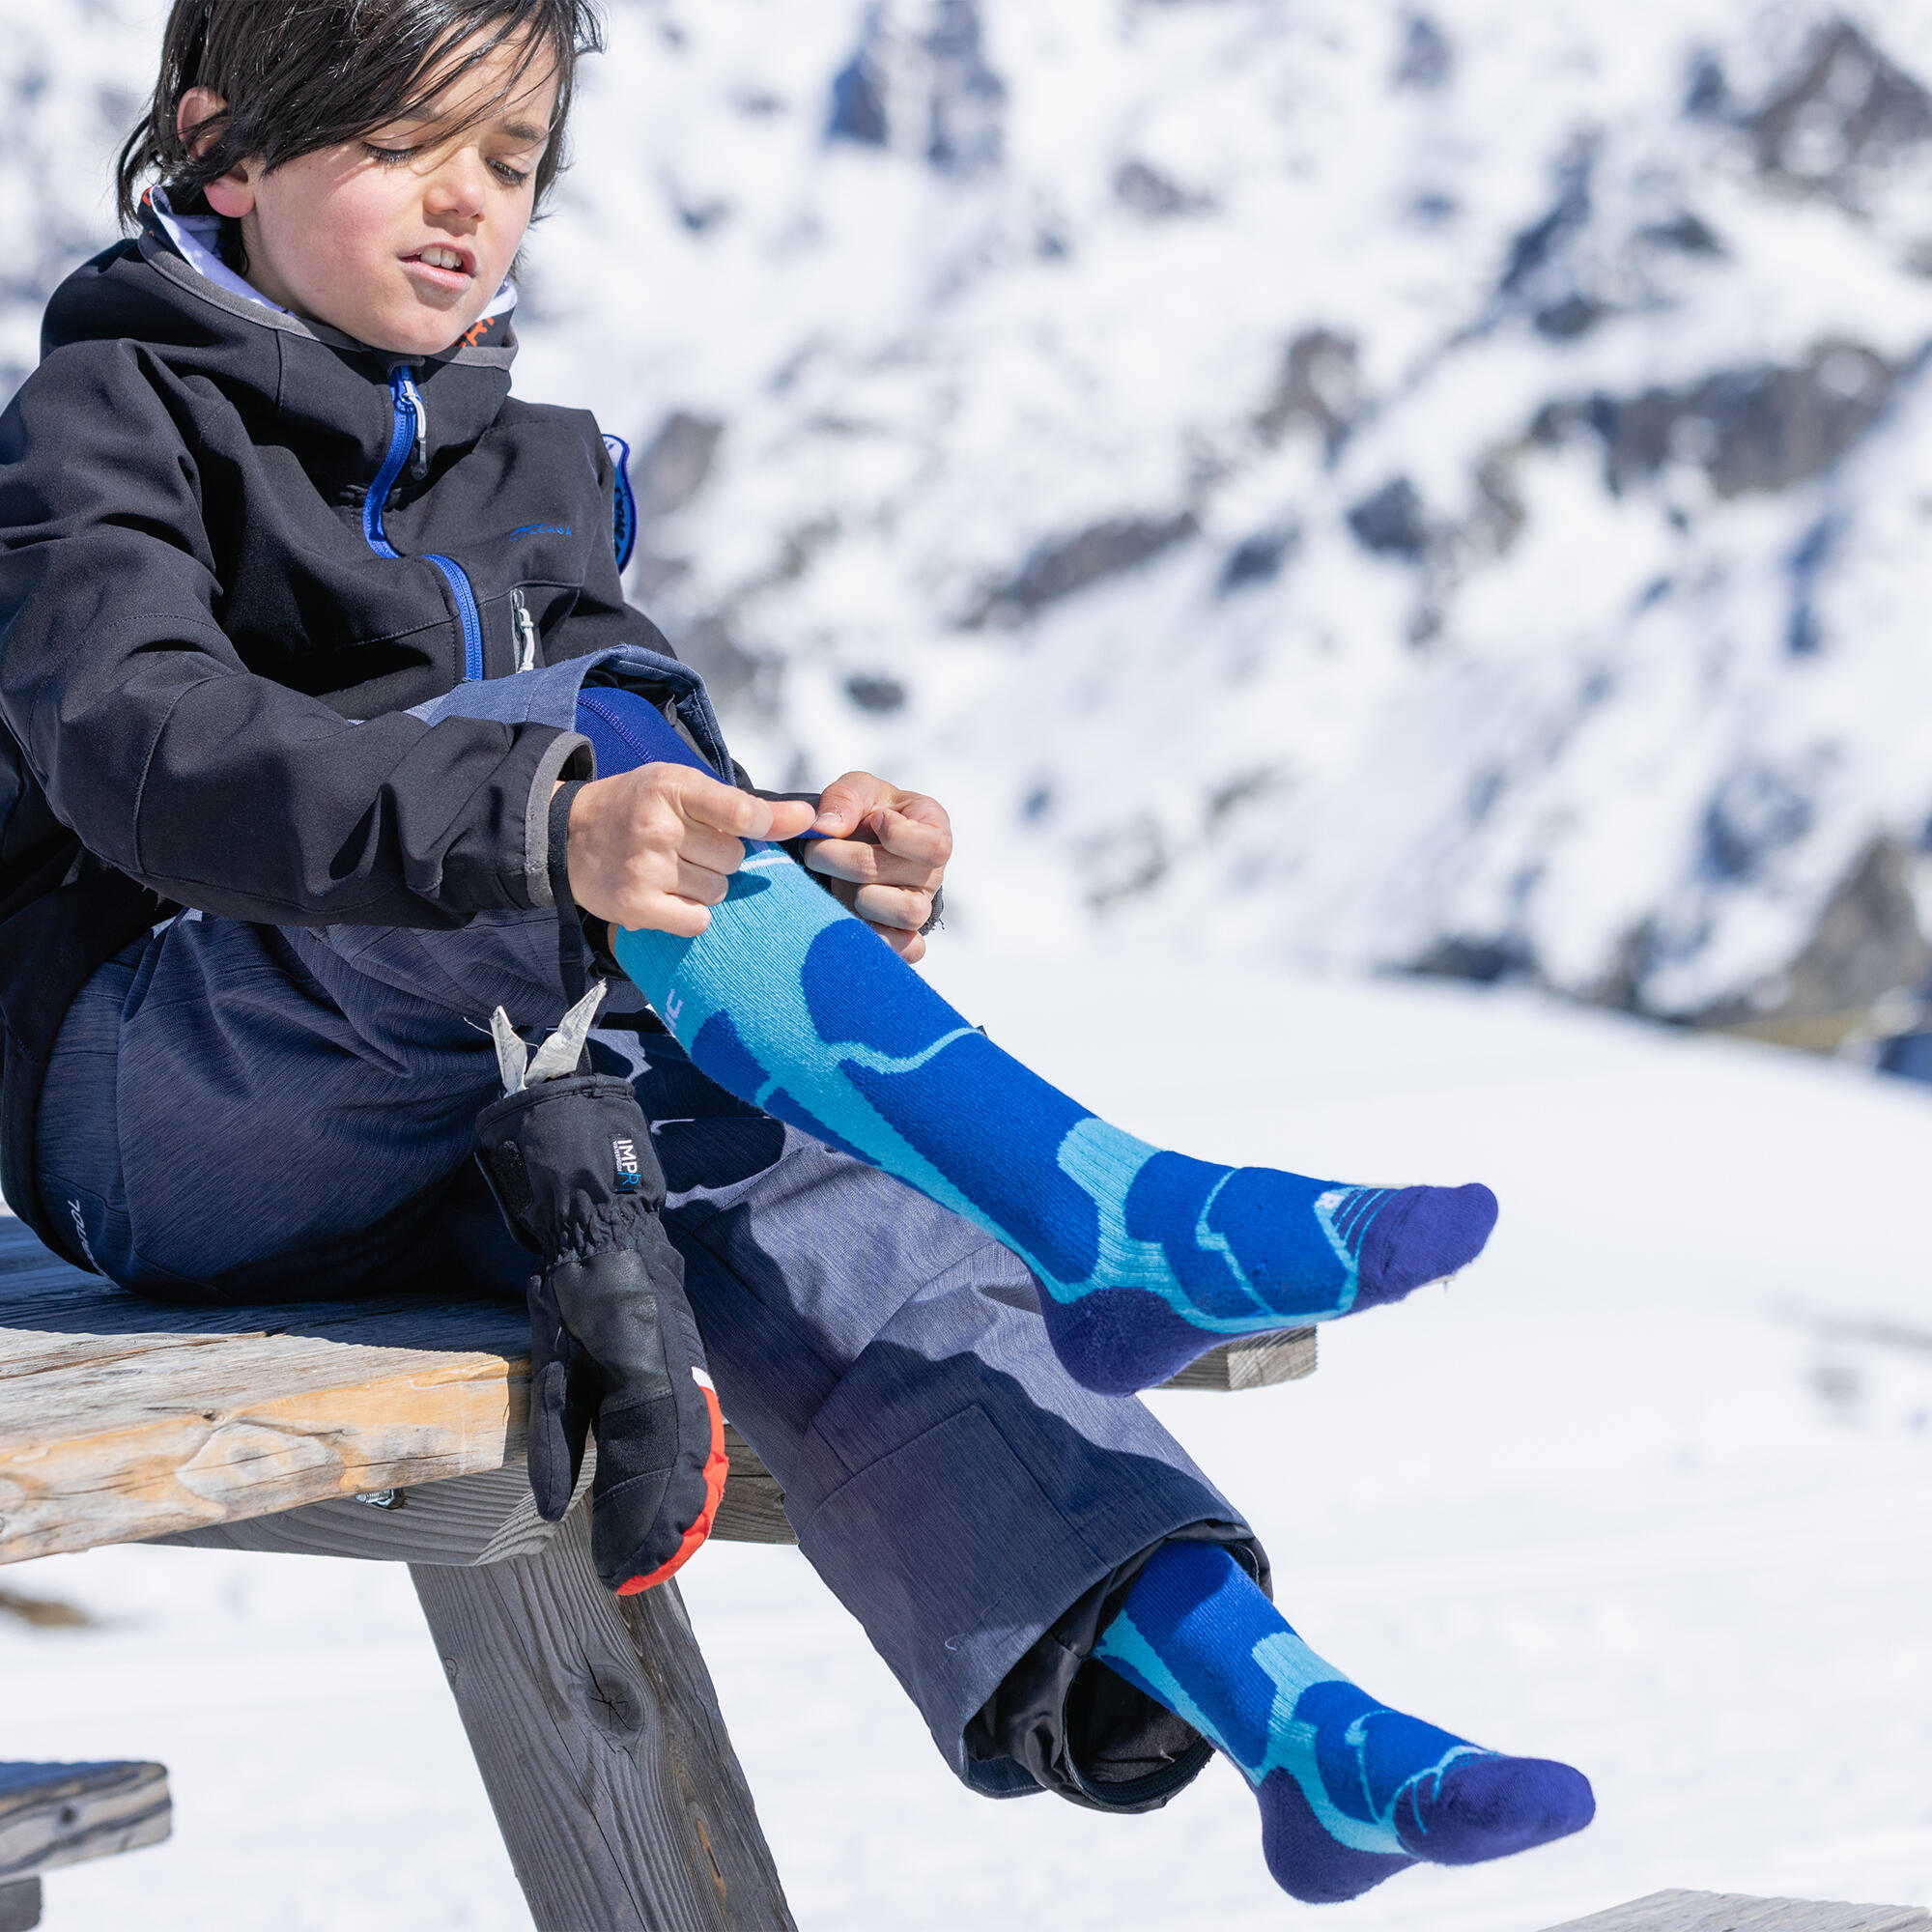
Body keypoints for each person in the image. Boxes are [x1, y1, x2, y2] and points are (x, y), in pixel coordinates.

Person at [0, 0, 1593, 1902]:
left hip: (482, 1110)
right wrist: (549, 821)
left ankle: (1287, 1723)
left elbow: (653, 805)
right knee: (572, 764)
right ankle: (1100, 1208)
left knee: (841, 1215)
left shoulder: (536, 462)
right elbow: (141, 752)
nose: (468, 209)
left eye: (510, 165)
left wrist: (817, 878)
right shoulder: (105, 419)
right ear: (226, 151)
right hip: (164, 1092)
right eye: (409, 147)